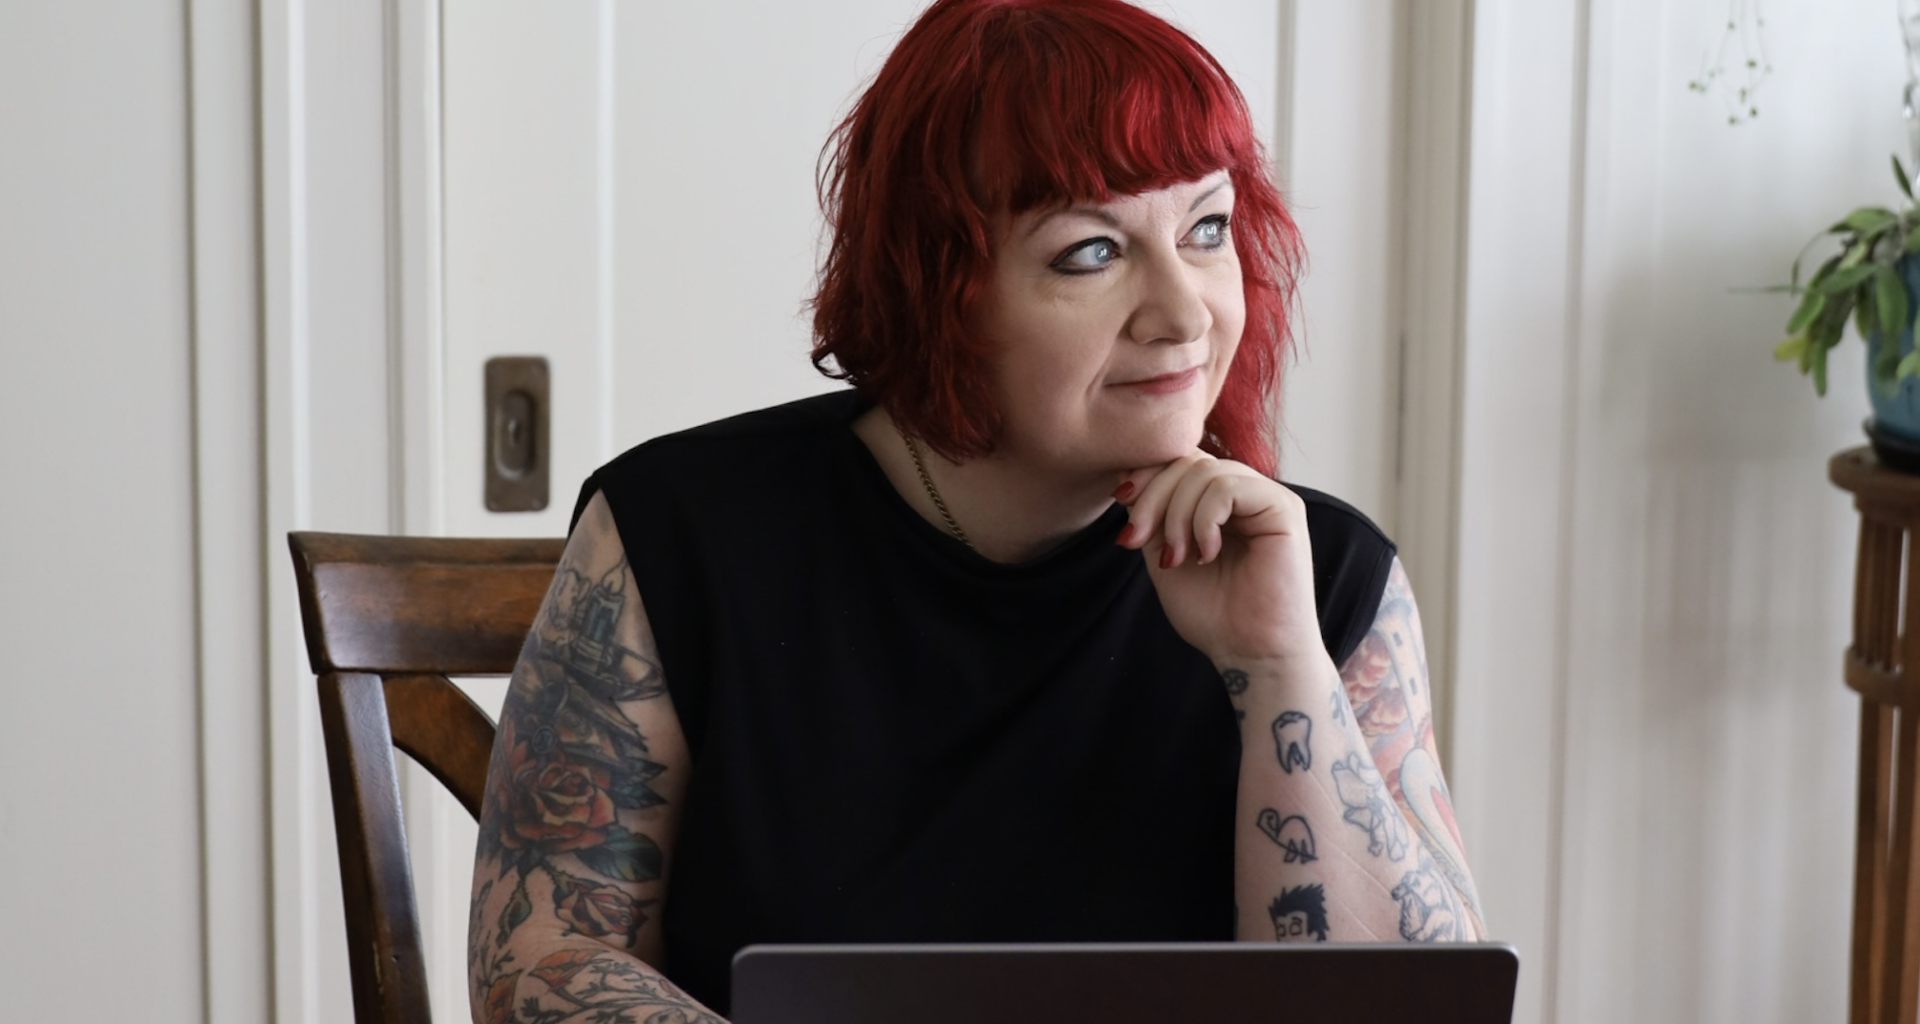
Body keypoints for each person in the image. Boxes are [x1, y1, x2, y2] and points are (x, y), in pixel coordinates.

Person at [467, 1, 1484, 1021]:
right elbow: (544, 954)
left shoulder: (1322, 571)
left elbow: (1412, 1007)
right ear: (936, 287)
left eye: (1206, 229)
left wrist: (1281, 666)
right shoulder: (683, 533)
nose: (1185, 312)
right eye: (1091, 252)